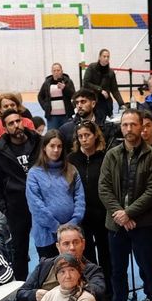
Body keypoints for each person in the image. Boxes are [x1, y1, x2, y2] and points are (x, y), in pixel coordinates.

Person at [98, 109, 152, 301]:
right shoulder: (112, 154)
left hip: (144, 224)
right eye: (125, 125)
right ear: (121, 127)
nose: (129, 129)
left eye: (133, 125)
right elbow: (104, 187)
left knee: (150, 270)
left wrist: (129, 213)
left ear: (142, 127)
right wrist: (120, 213)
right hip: (116, 224)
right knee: (117, 272)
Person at [0, 109, 41, 280]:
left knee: (47, 249)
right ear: (5, 128)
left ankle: (49, 286)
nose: (16, 125)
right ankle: (21, 290)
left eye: (18, 121)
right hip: (17, 208)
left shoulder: (38, 141)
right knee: (19, 252)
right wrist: (6, 208)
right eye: (11, 123)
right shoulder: (1, 150)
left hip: (41, 203)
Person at [25, 130, 85, 262]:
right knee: (52, 274)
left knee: (74, 271)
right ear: (44, 148)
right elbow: (36, 206)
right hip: (46, 234)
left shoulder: (71, 169)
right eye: (52, 146)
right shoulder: (34, 173)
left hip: (72, 232)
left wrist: (73, 223)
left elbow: (80, 198)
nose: (56, 150)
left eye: (59, 146)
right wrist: (57, 228)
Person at [67, 122, 112, 288]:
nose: (84, 139)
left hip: (102, 213)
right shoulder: (71, 160)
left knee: (106, 254)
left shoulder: (105, 157)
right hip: (81, 215)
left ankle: (109, 290)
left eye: (87, 135)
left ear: (95, 136)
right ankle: (92, 288)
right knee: (87, 255)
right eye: (80, 136)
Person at [81, 48, 125, 118]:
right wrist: (100, 90)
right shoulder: (91, 67)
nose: (106, 58)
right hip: (93, 102)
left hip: (106, 104)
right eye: (104, 56)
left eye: (108, 57)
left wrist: (121, 104)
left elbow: (115, 90)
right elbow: (86, 83)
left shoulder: (111, 72)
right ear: (99, 57)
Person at [38, 62, 77, 130]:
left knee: (66, 135)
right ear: (52, 72)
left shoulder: (68, 81)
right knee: (52, 135)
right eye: (54, 70)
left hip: (66, 115)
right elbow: (40, 96)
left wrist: (65, 88)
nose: (56, 72)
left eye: (58, 70)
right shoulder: (47, 83)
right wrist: (45, 107)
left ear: (62, 71)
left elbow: (74, 95)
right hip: (52, 117)